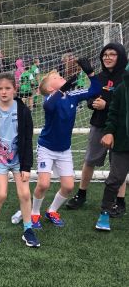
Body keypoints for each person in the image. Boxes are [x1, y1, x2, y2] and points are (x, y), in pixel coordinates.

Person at [31, 59, 101, 229]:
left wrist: (91, 74)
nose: (61, 77)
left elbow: (95, 90)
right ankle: (34, 213)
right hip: (46, 148)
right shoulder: (49, 99)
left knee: (69, 186)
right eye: (56, 78)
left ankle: (52, 211)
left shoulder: (73, 96)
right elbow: (49, 106)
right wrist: (62, 89)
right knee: (44, 184)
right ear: (50, 88)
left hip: (64, 150)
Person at [0, 73, 39, 247]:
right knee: (1, 194)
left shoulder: (23, 111)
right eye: (0, 89)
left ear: (14, 90)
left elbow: (27, 140)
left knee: (24, 194)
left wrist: (26, 166)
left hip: (19, 160)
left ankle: (28, 229)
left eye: (7, 88)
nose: (4, 92)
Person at [67, 43, 128, 215]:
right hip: (99, 124)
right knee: (90, 160)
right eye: (105, 54)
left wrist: (106, 105)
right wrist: (92, 103)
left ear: (120, 57)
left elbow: (124, 104)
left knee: (118, 167)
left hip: (119, 129)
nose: (107, 57)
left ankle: (119, 201)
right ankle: (81, 194)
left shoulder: (126, 77)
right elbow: (91, 96)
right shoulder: (99, 77)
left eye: (112, 54)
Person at [95, 66, 129, 231]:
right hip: (123, 142)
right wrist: (108, 132)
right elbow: (113, 114)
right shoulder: (122, 88)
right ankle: (105, 213)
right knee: (115, 178)